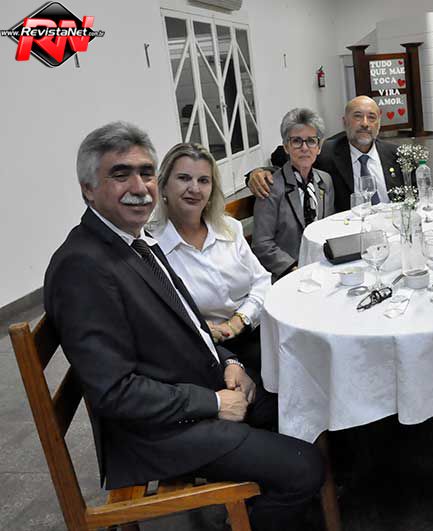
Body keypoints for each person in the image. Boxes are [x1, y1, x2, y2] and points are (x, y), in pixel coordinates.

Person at [44, 122, 324, 531]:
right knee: (306, 468)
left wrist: (231, 364)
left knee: (301, 402)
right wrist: (213, 403)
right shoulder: (82, 266)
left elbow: (191, 325)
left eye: (145, 172)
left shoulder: (135, 241)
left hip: (189, 390)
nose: (138, 186)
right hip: (154, 435)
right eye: (120, 174)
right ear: (88, 188)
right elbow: (115, 392)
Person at [149, 143, 270, 373]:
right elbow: (163, 319)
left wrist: (240, 320)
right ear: (163, 186)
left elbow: (262, 281)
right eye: (184, 178)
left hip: (255, 327)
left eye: (203, 180)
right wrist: (203, 328)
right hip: (205, 351)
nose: (194, 188)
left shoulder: (230, 228)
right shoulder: (153, 249)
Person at [247, 96, 403, 213]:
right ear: (344, 122)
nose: (365, 123)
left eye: (371, 117)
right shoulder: (326, 152)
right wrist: (258, 172)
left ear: (379, 124)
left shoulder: (397, 154)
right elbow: (289, 160)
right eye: (357, 116)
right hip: (349, 232)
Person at [252, 108, 335, 278]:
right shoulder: (270, 187)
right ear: (286, 147)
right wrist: (294, 270)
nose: (304, 148)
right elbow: (262, 244)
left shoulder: (325, 180)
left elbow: (328, 228)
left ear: (319, 147)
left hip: (323, 268)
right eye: (296, 141)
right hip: (288, 273)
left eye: (311, 141)